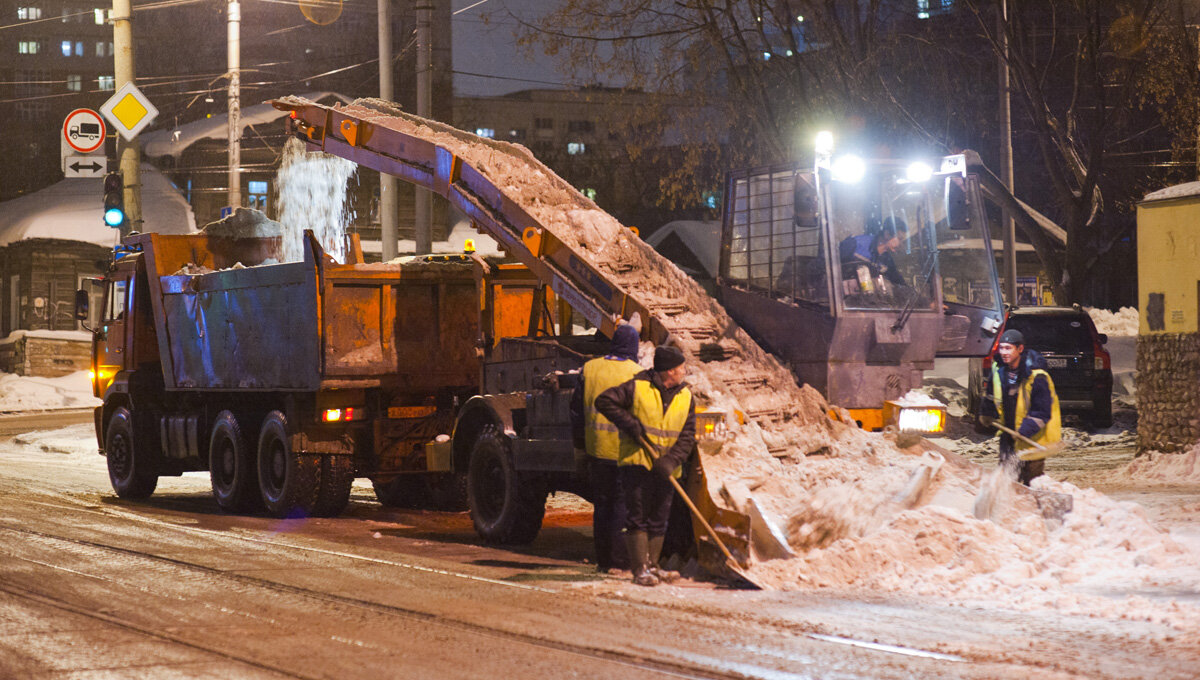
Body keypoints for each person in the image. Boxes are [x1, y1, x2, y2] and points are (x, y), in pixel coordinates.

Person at [594, 345, 695, 587]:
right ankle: (639, 569)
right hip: (638, 463)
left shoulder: (686, 396)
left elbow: (688, 434)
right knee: (638, 517)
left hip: (666, 468)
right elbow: (604, 401)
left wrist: (671, 460)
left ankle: (653, 565)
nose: (684, 371)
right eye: (681, 367)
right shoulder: (637, 387)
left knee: (659, 518)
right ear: (669, 371)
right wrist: (631, 425)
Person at [570, 323, 641, 573]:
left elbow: (577, 411)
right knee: (622, 507)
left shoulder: (590, 369)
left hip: (596, 450)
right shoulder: (637, 373)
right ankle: (620, 563)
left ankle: (603, 561)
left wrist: (580, 447)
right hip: (624, 452)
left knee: (602, 506)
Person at [980, 328, 1061, 485]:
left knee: (1032, 481)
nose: (1004, 352)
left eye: (1008, 348)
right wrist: (986, 412)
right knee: (1007, 481)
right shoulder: (999, 371)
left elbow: (1042, 412)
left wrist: (1024, 431)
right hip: (1008, 436)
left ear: (1020, 349)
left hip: (1031, 438)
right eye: (1001, 348)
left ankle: (1034, 507)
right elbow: (990, 395)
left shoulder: (1037, 376)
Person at [838, 217, 907, 289]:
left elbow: (900, 283)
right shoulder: (855, 244)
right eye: (899, 239)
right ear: (887, 234)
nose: (901, 244)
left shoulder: (887, 261)